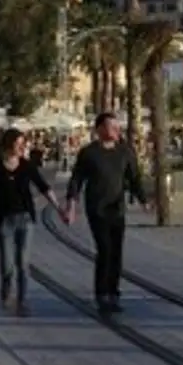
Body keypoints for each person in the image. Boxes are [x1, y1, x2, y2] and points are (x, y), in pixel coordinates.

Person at [64, 112, 148, 315]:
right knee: (105, 250)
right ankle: (101, 294)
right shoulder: (89, 153)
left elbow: (134, 178)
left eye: (117, 126)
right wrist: (71, 206)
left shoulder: (125, 152)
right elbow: (76, 180)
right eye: (112, 126)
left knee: (116, 252)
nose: (116, 130)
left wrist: (144, 200)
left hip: (117, 209)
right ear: (100, 129)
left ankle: (113, 293)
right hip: (97, 209)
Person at [0, 127, 65, 316]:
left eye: (23, 144)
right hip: (4, 220)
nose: (22, 147)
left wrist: (59, 208)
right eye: (19, 144)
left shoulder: (27, 166)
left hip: (26, 219)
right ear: (8, 144)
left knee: (23, 262)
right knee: (7, 264)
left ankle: (22, 301)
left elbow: (44, 187)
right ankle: (6, 293)